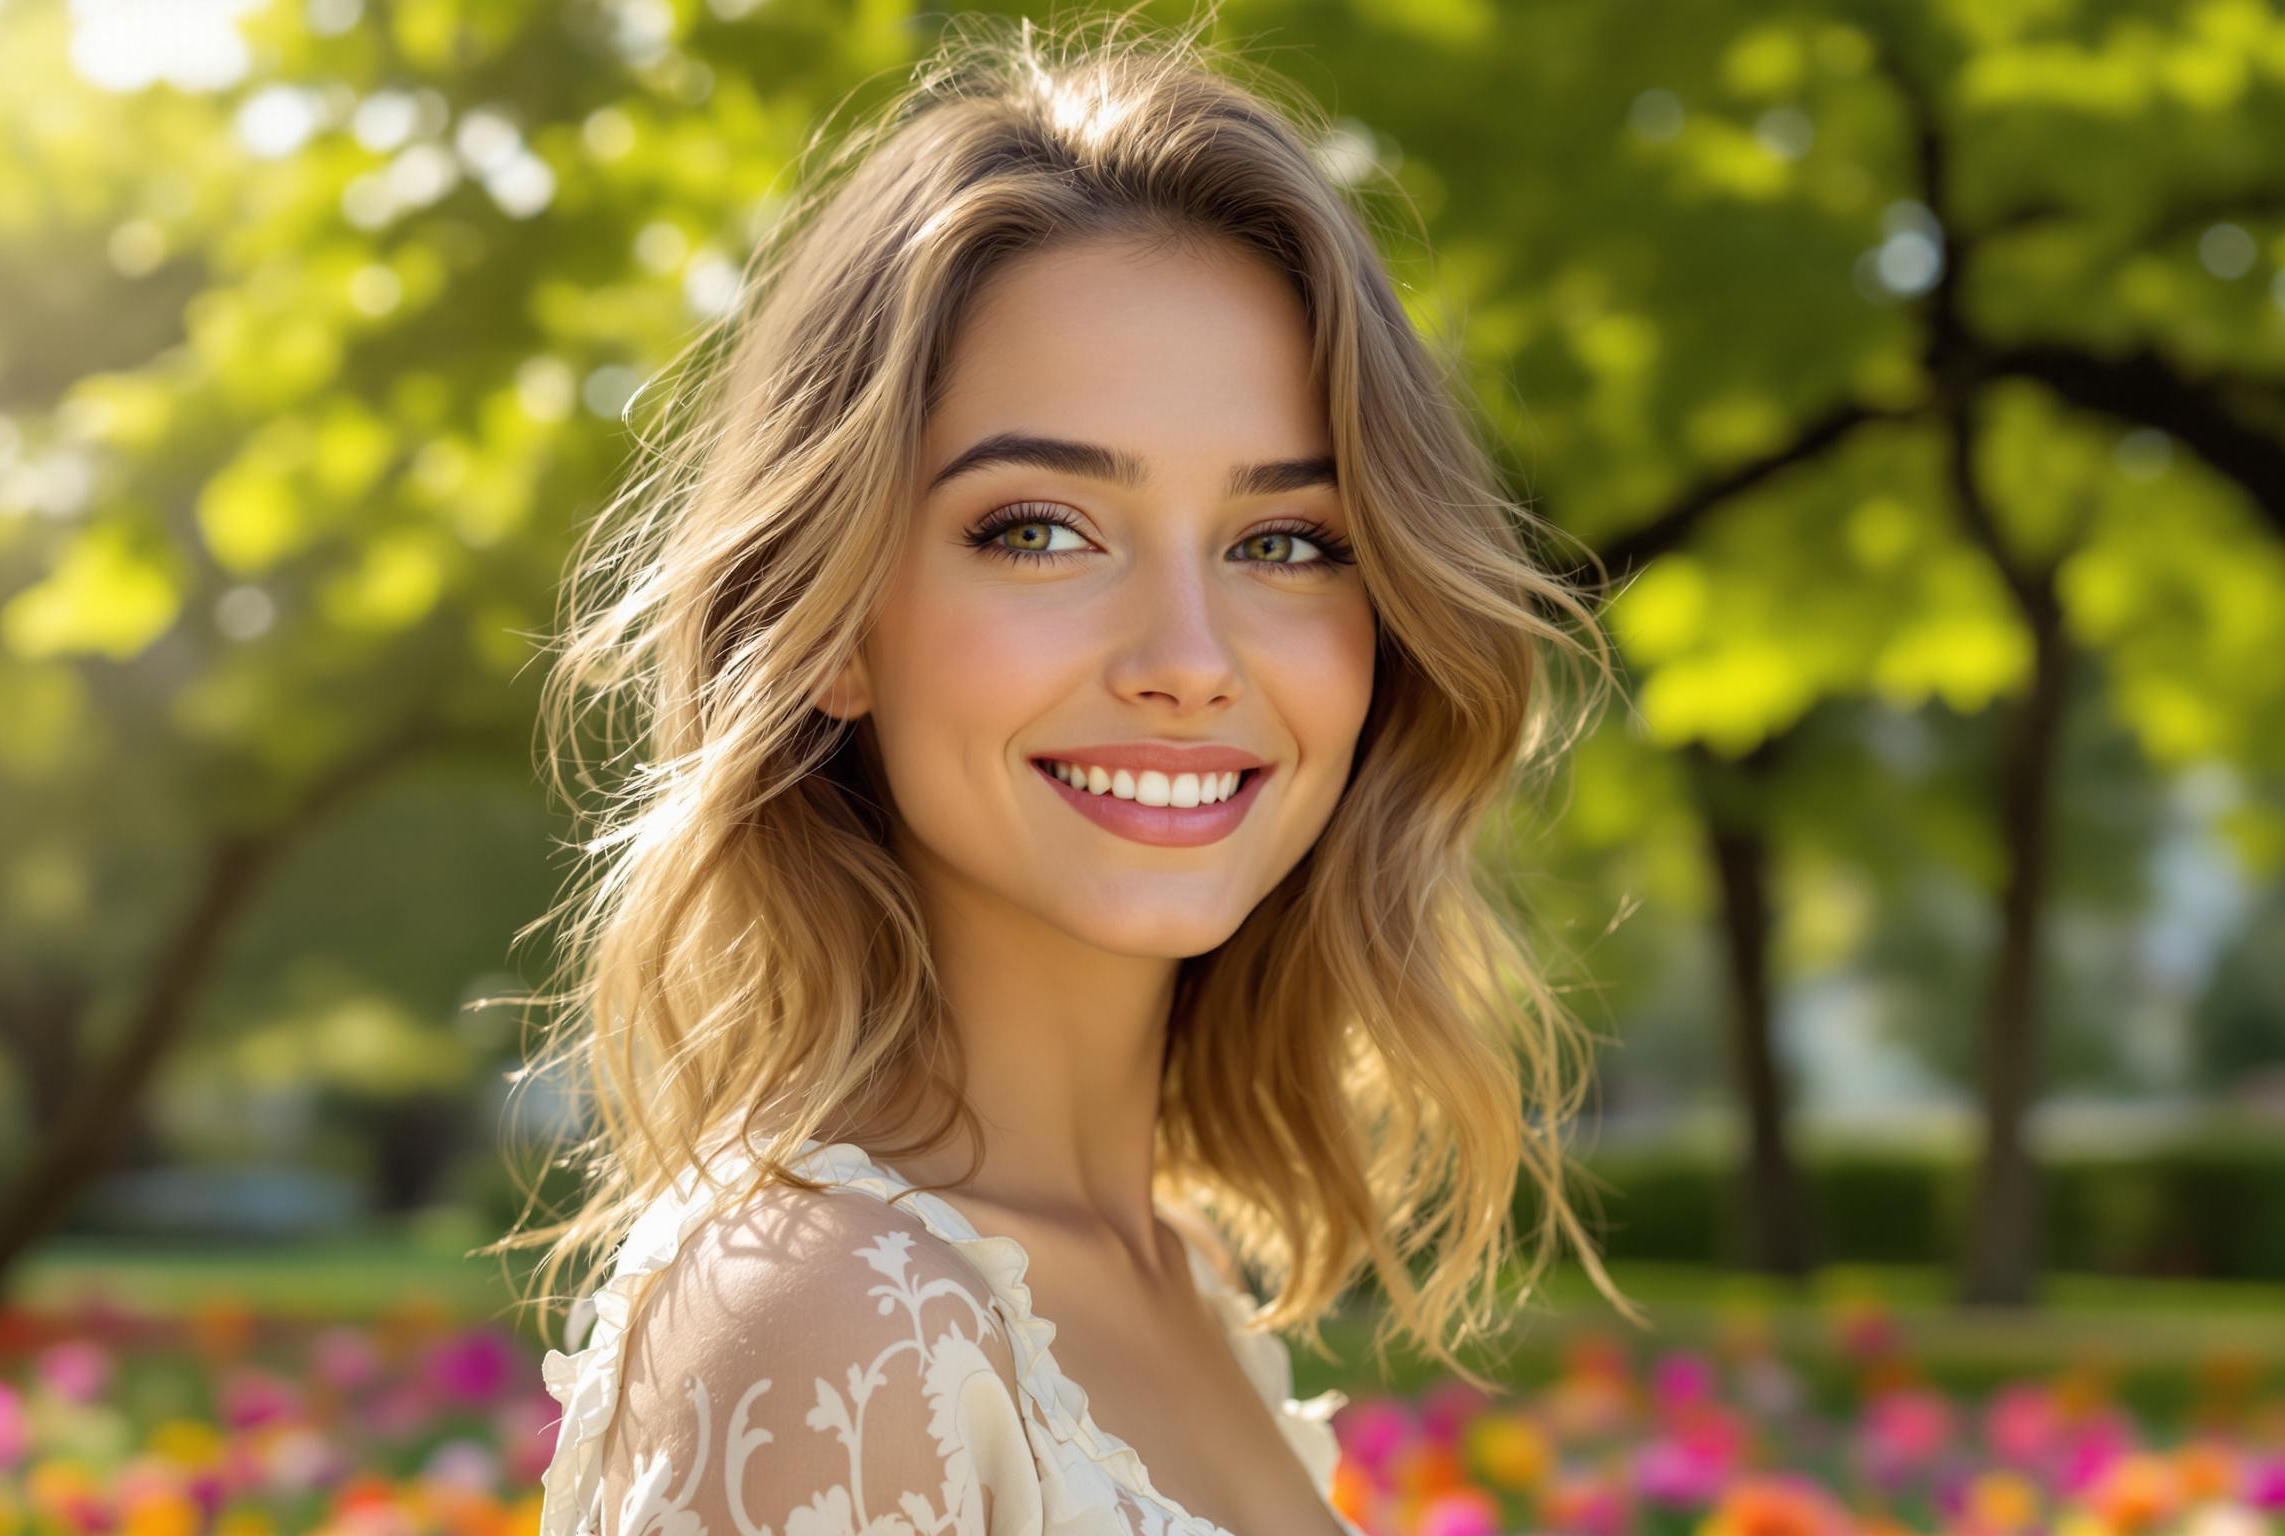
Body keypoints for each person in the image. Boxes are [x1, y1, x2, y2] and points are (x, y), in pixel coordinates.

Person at [493, 9, 1647, 1534]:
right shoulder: (829, 1320)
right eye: (1038, 529)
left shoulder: (1183, 1274)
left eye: (1286, 543)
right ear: (832, 625)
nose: (1189, 655)